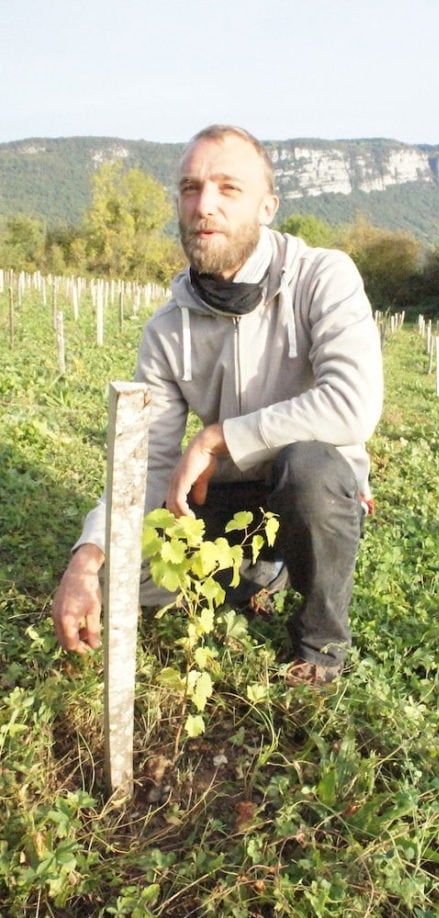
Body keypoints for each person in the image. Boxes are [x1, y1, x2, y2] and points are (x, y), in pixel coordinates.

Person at [51, 124, 383, 685]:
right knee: (126, 583)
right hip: (223, 492)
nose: (204, 206)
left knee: (310, 470)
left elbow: (353, 404)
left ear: (268, 206)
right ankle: (262, 572)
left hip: (311, 485)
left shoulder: (323, 276)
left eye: (229, 188)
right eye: (190, 188)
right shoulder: (167, 329)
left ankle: (320, 644)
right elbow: (149, 465)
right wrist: (89, 556)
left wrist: (218, 436)